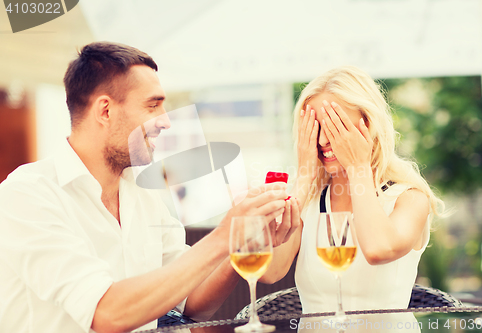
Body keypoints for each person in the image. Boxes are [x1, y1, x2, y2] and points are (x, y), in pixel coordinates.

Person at [0, 42, 300, 333]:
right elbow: (106, 315)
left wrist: (240, 244)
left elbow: (193, 302)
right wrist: (223, 235)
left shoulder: (141, 195)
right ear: (105, 111)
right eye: (152, 105)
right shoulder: (27, 195)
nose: (166, 121)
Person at [261, 66, 443, 313]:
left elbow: (379, 249)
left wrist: (358, 166)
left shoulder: (409, 199)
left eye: (336, 126)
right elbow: (269, 271)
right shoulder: (309, 201)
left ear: (369, 125)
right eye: (315, 128)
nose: (324, 141)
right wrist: (304, 178)